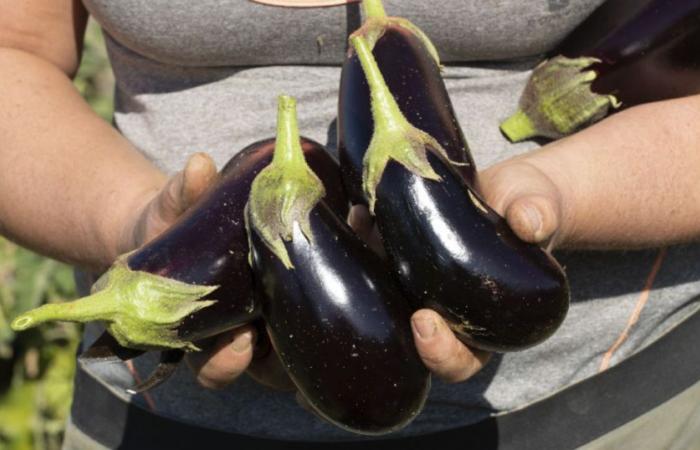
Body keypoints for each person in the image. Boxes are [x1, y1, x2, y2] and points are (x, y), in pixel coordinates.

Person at [1, 0, 698, 448]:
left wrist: (561, 195)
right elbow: (13, 49)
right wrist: (140, 229)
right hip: (164, 419)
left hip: (603, 410)